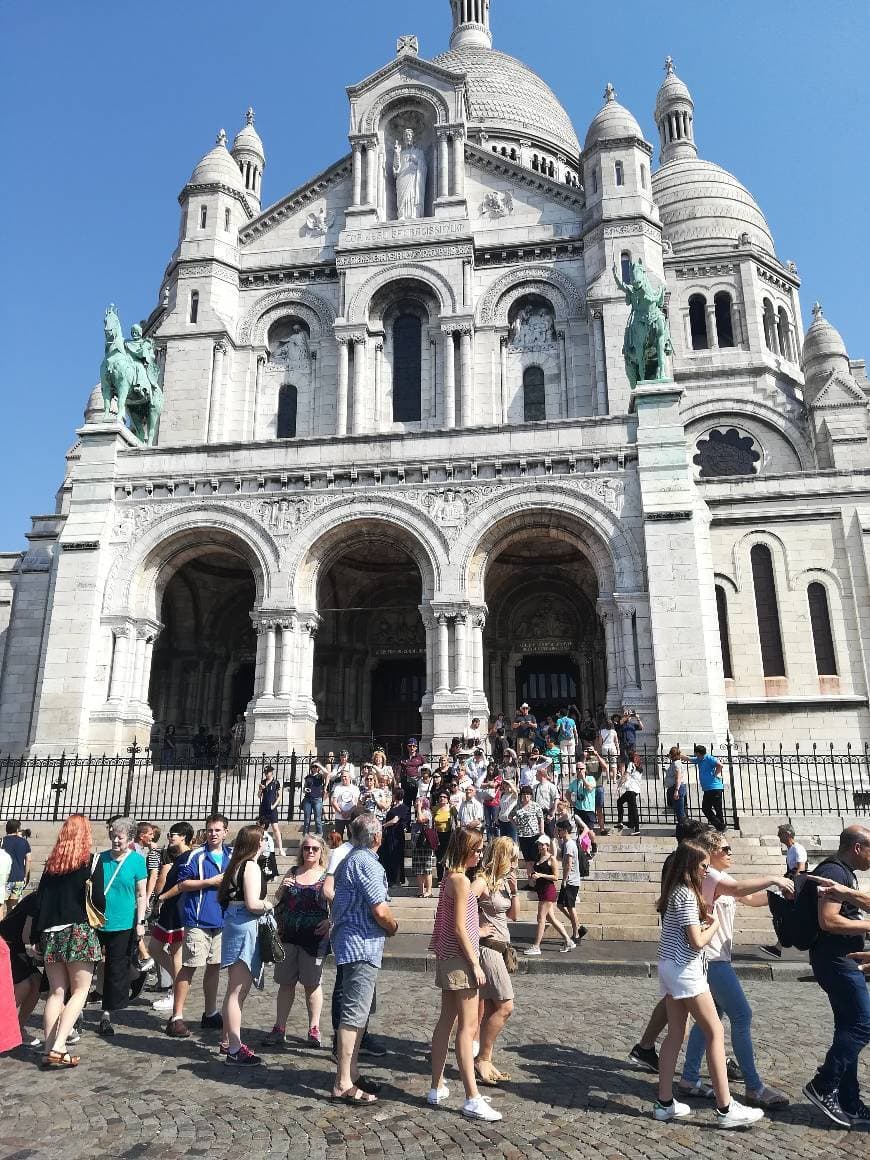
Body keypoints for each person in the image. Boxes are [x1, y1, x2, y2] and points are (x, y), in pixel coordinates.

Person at [678, 831, 792, 1108]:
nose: (730, 852)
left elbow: (749, 899)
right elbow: (740, 889)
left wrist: (780, 896)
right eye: (725, 848)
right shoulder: (713, 876)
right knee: (742, 1015)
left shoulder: (720, 877)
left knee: (711, 1019)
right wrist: (776, 878)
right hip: (712, 959)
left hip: (717, 958)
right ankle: (754, 1087)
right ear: (711, 852)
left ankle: (689, 1077)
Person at [654, 840, 763, 1128]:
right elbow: (697, 940)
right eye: (703, 866)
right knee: (714, 1031)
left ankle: (664, 1102)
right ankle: (726, 1108)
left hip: (668, 966)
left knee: (675, 1035)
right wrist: (713, 924)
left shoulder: (673, 892)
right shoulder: (687, 895)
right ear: (691, 866)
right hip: (685, 969)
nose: (707, 871)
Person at [427, 827, 502, 1121]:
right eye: (477, 849)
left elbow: (458, 922)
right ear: (465, 850)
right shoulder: (459, 880)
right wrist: (474, 963)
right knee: (467, 1027)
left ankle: (436, 1086)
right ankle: (471, 1097)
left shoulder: (452, 876)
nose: (480, 854)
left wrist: (478, 930)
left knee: (446, 1021)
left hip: (449, 957)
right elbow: (459, 927)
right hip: (460, 959)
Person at [802, 825, 870, 1127]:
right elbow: (828, 920)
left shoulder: (843, 874)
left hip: (840, 959)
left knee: (849, 1025)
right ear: (857, 847)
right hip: (837, 961)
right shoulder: (836, 872)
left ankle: (849, 1101)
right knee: (862, 1024)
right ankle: (824, 1084)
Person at [329, 814, 398, 1104]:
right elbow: (379, 910)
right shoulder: (366, 862)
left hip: (353, 941)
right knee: (355, 1013)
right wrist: (394, 927)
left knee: (357, 1011)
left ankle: (352, 1072)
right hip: (361, 943)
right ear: (376, 837)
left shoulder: (351, 858)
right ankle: (343, 1082)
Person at [32, 815, 103, 1068]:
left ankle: (49, 1048)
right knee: (81, 990)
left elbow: (39, 904)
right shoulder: (91, 862)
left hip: (50, 932)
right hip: (78, 930)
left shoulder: (52, 866)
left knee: (56, 992)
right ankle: (60, 1045)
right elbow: (99, 902)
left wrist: (35, 938)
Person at [166, 814, 232, 1039]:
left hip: (221, 919)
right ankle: (176, 1016)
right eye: (210, 830)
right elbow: (182, 884)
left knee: (214, 965)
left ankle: (210, 1011)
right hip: (197, 919)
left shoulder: (231, 855)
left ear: (225, 832)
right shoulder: (196, 855)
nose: (213, 834)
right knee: (190, 965)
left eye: (217, 830)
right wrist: (209, 882)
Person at [216, 825, 273, 1065]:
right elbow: (252, 903)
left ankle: (228, 1040)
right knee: (238, 991)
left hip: (234, 923)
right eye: (264, 839)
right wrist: (270, 904)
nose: (266, 843)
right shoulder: (250, 866)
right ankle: (235, 1048)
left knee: (235, 989)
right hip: (244, 925)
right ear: (257, 842)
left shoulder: (236, 865)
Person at [267, 835, 329, 1048]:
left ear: (321, 852)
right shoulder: (293, 872)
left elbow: (338, 904)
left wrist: (331, 922)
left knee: (312, 985)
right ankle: (279, 1027)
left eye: (314, 849)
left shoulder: (326, 876)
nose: (310, 852)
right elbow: (277, 899)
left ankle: (314, 1028)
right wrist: (282, 887)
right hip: (288, 935)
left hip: (314, 938)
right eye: (306, 848)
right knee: (286, 983)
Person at [472, 836, 519, 1087]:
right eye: (512, 857)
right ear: (501, 856)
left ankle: (484, 1058)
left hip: (501, 947)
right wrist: (476, 928)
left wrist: (515, 889)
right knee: (506, 1006)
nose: (516, 862)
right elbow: (462, 904)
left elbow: (513, 915)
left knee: (491, 1008)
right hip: (487, 948)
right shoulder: (482, 881)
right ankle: (482, 1058)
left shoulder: (502, 883)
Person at [94, 816, 148, 1036]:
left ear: (130, 838)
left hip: (123, 922)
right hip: (97, 920)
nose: (116, 840)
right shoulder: (99, 858)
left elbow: (141, 894)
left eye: (120, 837)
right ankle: (77, 1010)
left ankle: (106, 1014)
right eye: (113, 836)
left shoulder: (136, 861)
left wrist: (141, 922)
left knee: (115, 969)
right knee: (88, 965)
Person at [148, 822, 194, 1012]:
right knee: (155, 948)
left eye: (173, 834)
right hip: (169, 906)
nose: (170, 837)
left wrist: (162, 897)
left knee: (176, 953)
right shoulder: (176, 856)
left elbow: (182, 884)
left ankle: (176, 992)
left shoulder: (188, 856)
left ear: (183, 836)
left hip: (177, 906)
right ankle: (179, 983)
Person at [758, 823, 809, 959]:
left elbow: (801, 869)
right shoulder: (791, 850)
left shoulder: (798, 848)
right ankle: (779, 947)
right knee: (786, 916)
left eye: (780, 833)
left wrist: (792, 888)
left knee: (787, 915)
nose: (778, 836)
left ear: (788, 833)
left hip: (796, 887)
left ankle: (779, 947)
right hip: (792, 884)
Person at [0, 891, 43, 1043]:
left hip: (16, 945)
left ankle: (18, 1026)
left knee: (38, 982)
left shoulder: (43, 896)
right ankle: (4, 1027)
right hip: (6, 943)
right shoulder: (38, 899)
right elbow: (26, 936)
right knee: (24, 985)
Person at [523, 834, 576, 956]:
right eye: (539, 844)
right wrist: (532, 876)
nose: (540, 847)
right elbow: (535, 872)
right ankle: (568, 940)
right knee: (550, 918)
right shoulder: (538, 858)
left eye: (542, 844)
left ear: (547, 846)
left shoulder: (552, 859)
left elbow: (556, 877)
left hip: (548, 890)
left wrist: (541, 875)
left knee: (541, 918)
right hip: (541, 890)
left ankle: (536, 946)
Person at [555, 817, 588, 944]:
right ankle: (578, 926)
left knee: (570, 906)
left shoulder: (569, 844)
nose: (558, 833)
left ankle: (576, 934)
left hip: (571, 881)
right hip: (570, 880)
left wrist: (564, 879)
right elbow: (559, 857)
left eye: (559, 831)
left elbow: (568, 864)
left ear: (564, 830)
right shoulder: (565, 843)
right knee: (560, 905)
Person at [689, 744, 726, 832]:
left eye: (696, 753)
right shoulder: (699, 759)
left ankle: (721, 827)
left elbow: (720, 765)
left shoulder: (709, 758)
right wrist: (678, 754)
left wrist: (715, 774)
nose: (695, 755)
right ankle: (720, 827)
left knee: (717, 809)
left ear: (698, 753)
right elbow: (688, 758)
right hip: (708, 789)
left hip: (714, 788)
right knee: (706, 808)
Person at [512, 785, 545, 881]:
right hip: (522, 835)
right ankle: (530, 879)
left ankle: (536, 879)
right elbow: (510, 816)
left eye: (528, 794)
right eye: (524, 794)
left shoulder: (535, 805)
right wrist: (516, 825)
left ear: (531, 796)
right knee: (527, 859)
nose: (526, 796)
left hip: (534, 835)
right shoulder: (518, 806)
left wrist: (541, 831)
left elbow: (541, 818)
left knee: (535, 858)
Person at [380, 787, 410, 887]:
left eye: (393, 794)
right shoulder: (394, 807)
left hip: (397, 835)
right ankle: (390, 878)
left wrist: (383, 825)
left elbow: (395, 820)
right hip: (390, 835)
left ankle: (397, 879)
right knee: (389, 856)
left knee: (396, 856)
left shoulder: (403, 808)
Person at [2, 820, 32, 910]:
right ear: (17, 829)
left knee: (1, 906)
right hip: (19, 878)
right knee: (13, 908)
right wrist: (25, 875)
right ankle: (10, 923)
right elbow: (29, 859)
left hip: (5, 878)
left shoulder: (2, 841)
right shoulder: (24, 842)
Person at [411, 798, 437, 898]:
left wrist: (418, 808)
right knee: (418, 868)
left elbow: (421, 820)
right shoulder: (416, 812)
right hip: (417, 842)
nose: (416, 802)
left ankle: (429, 890)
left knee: (427, 868)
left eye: (418, 801)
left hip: (426, 843)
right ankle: (420, 890)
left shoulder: (427, 812)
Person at [258, 766, 284, 856]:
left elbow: (279, 796)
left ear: (272, 772)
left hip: (272, 808)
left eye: (268, 772)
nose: (266, 774)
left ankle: (280, 849)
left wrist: (274, 805)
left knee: (275, 828)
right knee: (261, 828)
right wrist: (261, 789)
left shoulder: (276, 782)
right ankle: (260, 848)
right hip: (264, 807)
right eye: (265, 772)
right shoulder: (263, 782)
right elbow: (259, 795)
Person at [616, 754, 643, 835]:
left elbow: (626, 775)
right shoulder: (640, 768)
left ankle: (636, 829)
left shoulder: (631, 764)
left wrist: (619, 785)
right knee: (625, 804)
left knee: (633, 808)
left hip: (631, 790)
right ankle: (629, 823)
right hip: (635, 790)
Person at [433, 791, 456, 883]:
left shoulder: (452, 808)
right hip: (437, 834)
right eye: (440, 797)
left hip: (448, 834)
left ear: (448, 799)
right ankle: (439, 878)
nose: (442, 798)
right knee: (439, 857)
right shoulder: (435, 808)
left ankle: (447, 877)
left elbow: (457, 819)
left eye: (444, 797)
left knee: (448, 857)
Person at [330, 769, 360, 839]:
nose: (344, 778)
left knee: (352, 838)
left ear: (349, 777)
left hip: (351, 817)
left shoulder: (355, 788)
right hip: (339, 817)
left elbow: (356, 803)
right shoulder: (337, 788)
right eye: (342, 777)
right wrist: (342, 812)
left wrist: (349, 813)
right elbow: (334, 802)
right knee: (337, 838)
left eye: (345, 776)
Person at [533, 762, 559, 839]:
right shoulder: (535, 787)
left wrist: (552, 813)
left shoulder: (551, 786)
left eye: (537, 773)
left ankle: (552, 851)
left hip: (547, 812)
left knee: (551, 837)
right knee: (539, 836)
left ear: (541, 774)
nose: (535, 775)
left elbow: (556, 799)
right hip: (537, 812)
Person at [663, 746, 687, 827]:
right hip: (674, 788)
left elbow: (678, 777)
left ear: (672, 755)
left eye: (670, 754)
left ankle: (683, 831)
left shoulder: (676, 763)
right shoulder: (676, 762)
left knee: (680, 812)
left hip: (677, 789)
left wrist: (676, 790)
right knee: (679, 811)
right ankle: (684, 829)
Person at [301, 761, 327, 836]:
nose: (314, 768)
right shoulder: (308, 777)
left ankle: (319, 833)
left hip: (317, 799)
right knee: (307, 818)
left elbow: (327, 773)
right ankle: (305, 833)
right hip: (308, 799)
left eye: (316, 767)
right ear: (311, 768)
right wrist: (305, 790)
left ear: (318, 768)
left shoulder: (320, 776)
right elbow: (304, 787)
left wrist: (319, 765)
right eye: (313, 766)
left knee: (317, 818)